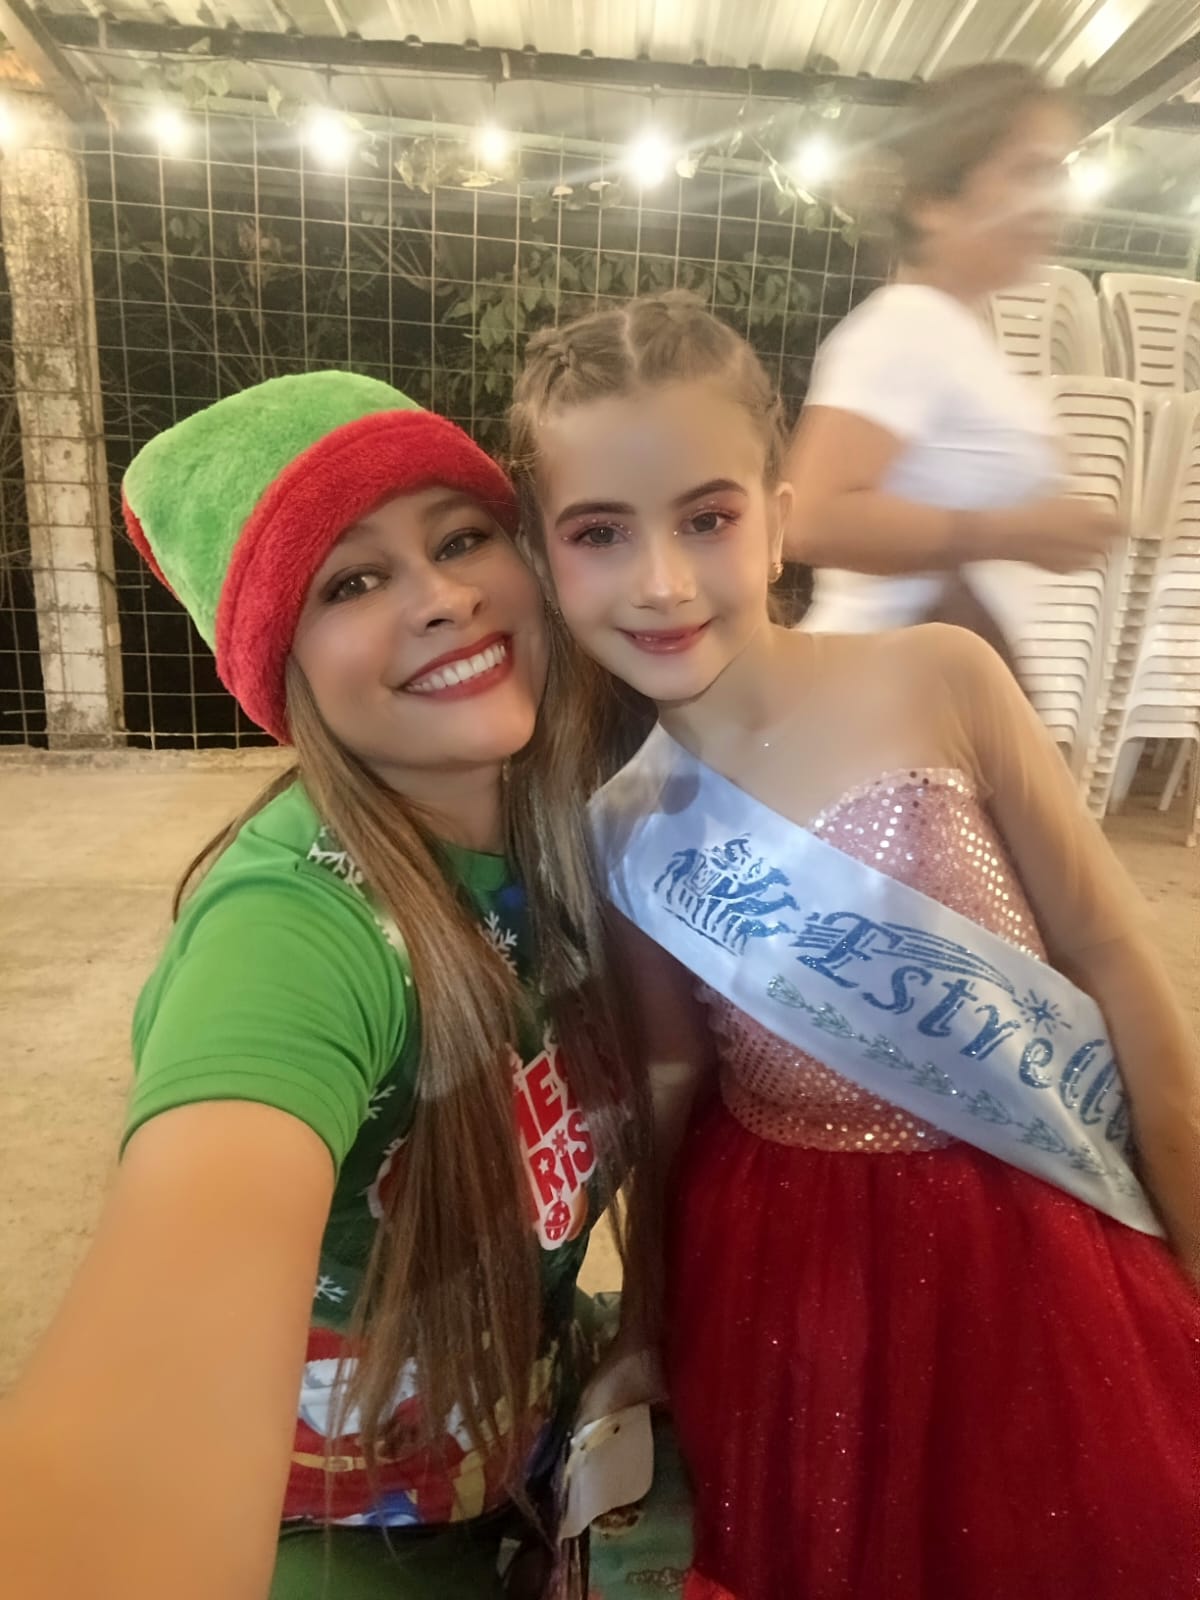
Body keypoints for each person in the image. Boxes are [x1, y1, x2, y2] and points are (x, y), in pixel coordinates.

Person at [508, 293, 1200, 1600]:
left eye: (707, 518)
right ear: (547, 557)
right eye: (600, 532)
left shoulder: (941, 678)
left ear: (778, 517)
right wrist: (647, 1320)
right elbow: (672, 1086)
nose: (661, 582)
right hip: (791, 1271)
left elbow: (1113, 955)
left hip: (1033, 1235)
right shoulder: (623, 825)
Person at [0, 372, 646, 1600]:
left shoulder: (578, 829)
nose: (442, 597)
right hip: (340, 1538)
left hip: (535, 1437)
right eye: (351, 582)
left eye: (461, 538)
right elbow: (158, 1372)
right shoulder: (291, 927)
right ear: (281, 664)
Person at [785, 63, 1121, 666]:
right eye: (1028, 171)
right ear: (934, 203)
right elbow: (810, 519)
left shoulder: (959, 336)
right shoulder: (906, 327)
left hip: (923, 684)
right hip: (881, 682)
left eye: (1059, 172)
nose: (1050, 201)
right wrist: (1015, 532)